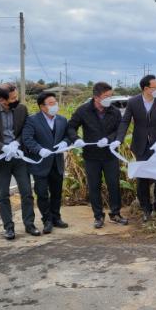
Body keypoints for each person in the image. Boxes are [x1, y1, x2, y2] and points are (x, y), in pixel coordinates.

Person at [0, 83, 39, 240]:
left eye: (16, 96)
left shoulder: (21, 109)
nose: (16, 100)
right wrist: (3, 147)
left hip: (18, 157)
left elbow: (26, 129)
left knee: (27, 192)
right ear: (2, 100)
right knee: (2, 195)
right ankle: (9, 228)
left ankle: (29, 224)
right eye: (13, 98)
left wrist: (16, 143)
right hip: (0, 159)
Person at [68, 82, 127, 229]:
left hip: (110, 155)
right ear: (96, 97)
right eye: (106, 96)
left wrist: (109, 139)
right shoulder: (83, 110)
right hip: (91, 156)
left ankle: (115, 213)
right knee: (94, 186)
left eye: (110, 96)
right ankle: (98, 216)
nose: (109, 99)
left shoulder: (114, 111)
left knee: (114, 184)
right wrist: (76, 139)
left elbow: (119, 130)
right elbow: (71, 127)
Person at [115, 74, 156, 222]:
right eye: (155, 87)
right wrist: (119, 139)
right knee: (142, 177)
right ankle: (146, 208)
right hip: (140, 145)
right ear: (146, 89)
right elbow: (125, 121)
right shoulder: (133, 102)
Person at [22, 92, 70, 234]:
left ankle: (56, 218)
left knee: (56, 192)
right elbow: (27, 139)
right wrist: (40, 150)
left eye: (55, 103)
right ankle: (47, 220)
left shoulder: (62, 120)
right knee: (42, 193)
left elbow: (68, 135)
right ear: (42, 107)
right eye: (51, 103)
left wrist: (65, 142)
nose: (54, 106)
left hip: (57, 162)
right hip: (40, 163)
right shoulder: (32, 120)